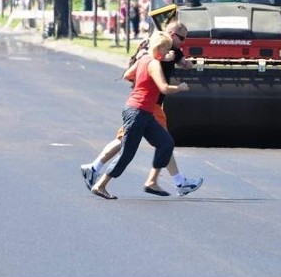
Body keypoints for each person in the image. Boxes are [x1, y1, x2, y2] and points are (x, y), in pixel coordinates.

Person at [81, 21, 200, 198]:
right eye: (166, 50)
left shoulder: (147, 58)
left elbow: (128, 74)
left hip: (143, 110)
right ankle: (101, 184)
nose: (171, 53)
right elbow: (164, 88)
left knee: (164, 143)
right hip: (141, 109)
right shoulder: (153, 62)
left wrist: (143, 79)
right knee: (127, 153)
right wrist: (179, 87)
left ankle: (95, 168)